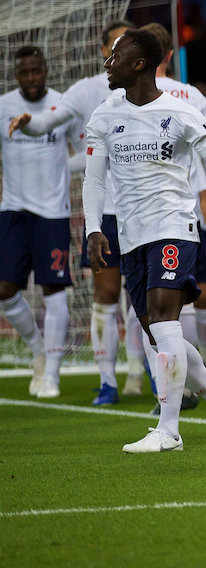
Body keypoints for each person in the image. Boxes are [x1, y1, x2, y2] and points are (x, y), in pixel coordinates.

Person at [83, 28, 206, 453]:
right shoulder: (104, 116)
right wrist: (93, 227)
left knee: (166, 321)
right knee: (156, 329)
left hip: (175, 226)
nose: (108, 63)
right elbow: (94, 181)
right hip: (130, 235)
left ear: (140, 64)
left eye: (116, 56)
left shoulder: (182, 112)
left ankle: (169, 430)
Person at [10, 20, 143, 404]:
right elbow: (51, 122)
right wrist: (30, 127)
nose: (123, 49)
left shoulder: (159, 93)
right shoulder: (85, 92)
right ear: (105, 52)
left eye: (130, 42)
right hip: (106, 214)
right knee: (105, 294)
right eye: (117, 44)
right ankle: (108, 382)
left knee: (145, 299)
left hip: (147, 212)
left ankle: (138, 372)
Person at [143, 23, 206, 390]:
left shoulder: (125, 97)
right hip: (185, 211)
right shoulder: (192, 96)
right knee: (190, 299)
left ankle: (184, 374)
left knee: (154, 305)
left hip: (147, 214)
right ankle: (192, 375)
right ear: (171, 56)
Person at [0, 46, 84, 398]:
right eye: (24, 73)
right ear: (16, 74)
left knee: (53, 292)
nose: (32, 78)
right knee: (4, 291)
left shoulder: (64, 105)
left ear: (46, 70)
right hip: (13, 210)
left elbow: (86, 152)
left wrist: (61, 168)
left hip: (53, 213)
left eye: (37, 71)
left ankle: (51, 373)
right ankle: (36, 347)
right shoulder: (3, 106)